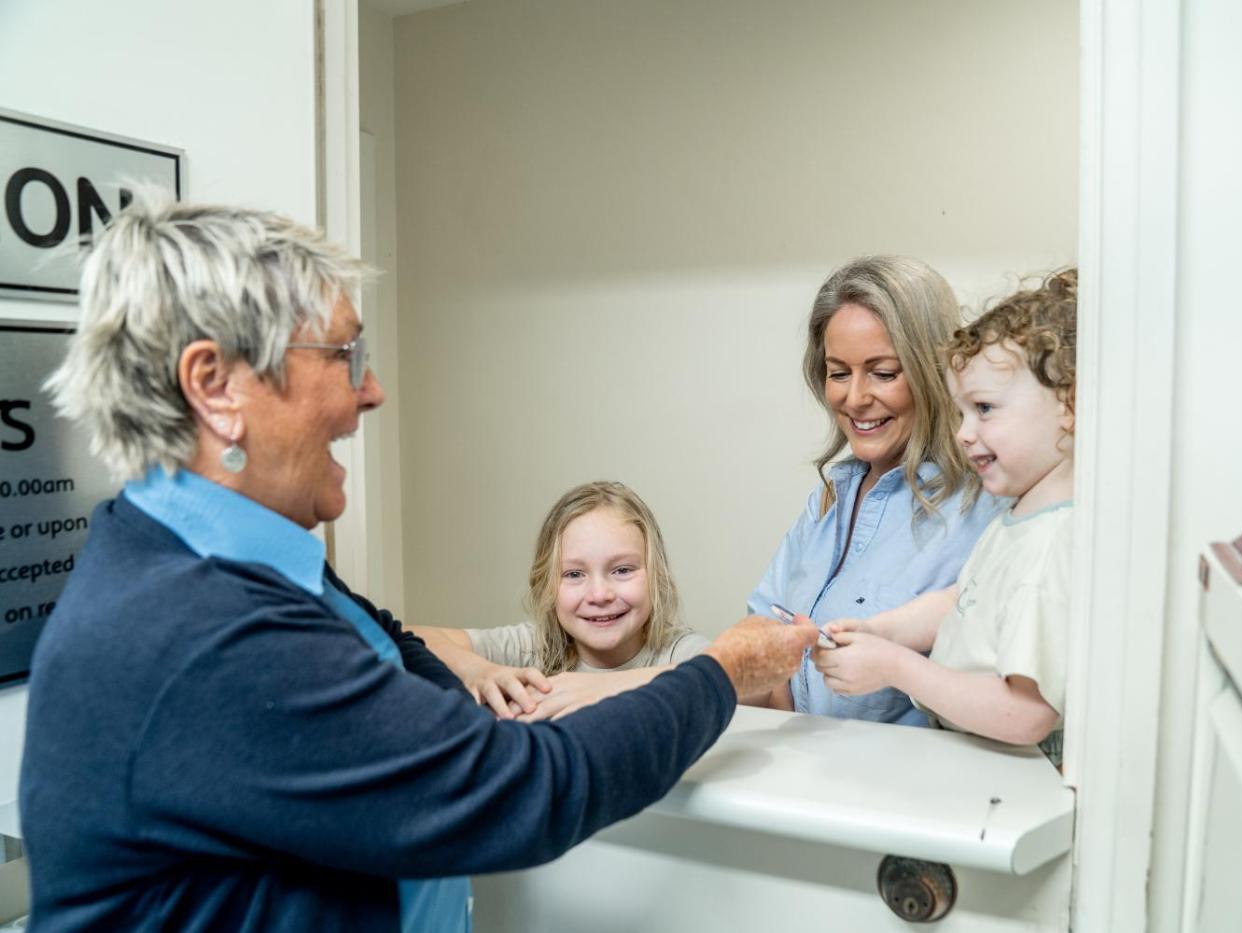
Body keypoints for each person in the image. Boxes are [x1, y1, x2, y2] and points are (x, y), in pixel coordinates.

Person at [18, 197, 816, 932]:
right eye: (344, 355)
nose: (371, 390)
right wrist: (723, 670)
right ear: (216, 384)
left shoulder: (244, 560)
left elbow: (394, 649)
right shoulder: (203, 629)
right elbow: (530, 788)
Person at [814, 269, 1077, 764]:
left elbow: (1026, 714)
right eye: (962, 413)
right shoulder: (1021, 519)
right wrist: (883, 631)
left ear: (1069, 405)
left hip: (1010, 780)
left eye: (984, 408)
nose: (963, 433)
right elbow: (963, 602)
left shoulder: (1051, 548)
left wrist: (896, 667)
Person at [747, 255, 1003, 724]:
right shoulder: (829, 500)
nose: (855, 398)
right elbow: (763, 634)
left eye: (883, 373)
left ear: (933, 371)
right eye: (838, 373)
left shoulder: (983, 507)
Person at [413, 481, 708, 721]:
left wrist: (602, 687)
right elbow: (412, 638)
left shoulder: (677, 652)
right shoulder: (533, 649)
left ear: (656, 576)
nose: (599, 595)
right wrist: (479, 671)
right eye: (574, 574)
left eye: (622, 570)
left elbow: (723, 673)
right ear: (547, 585)